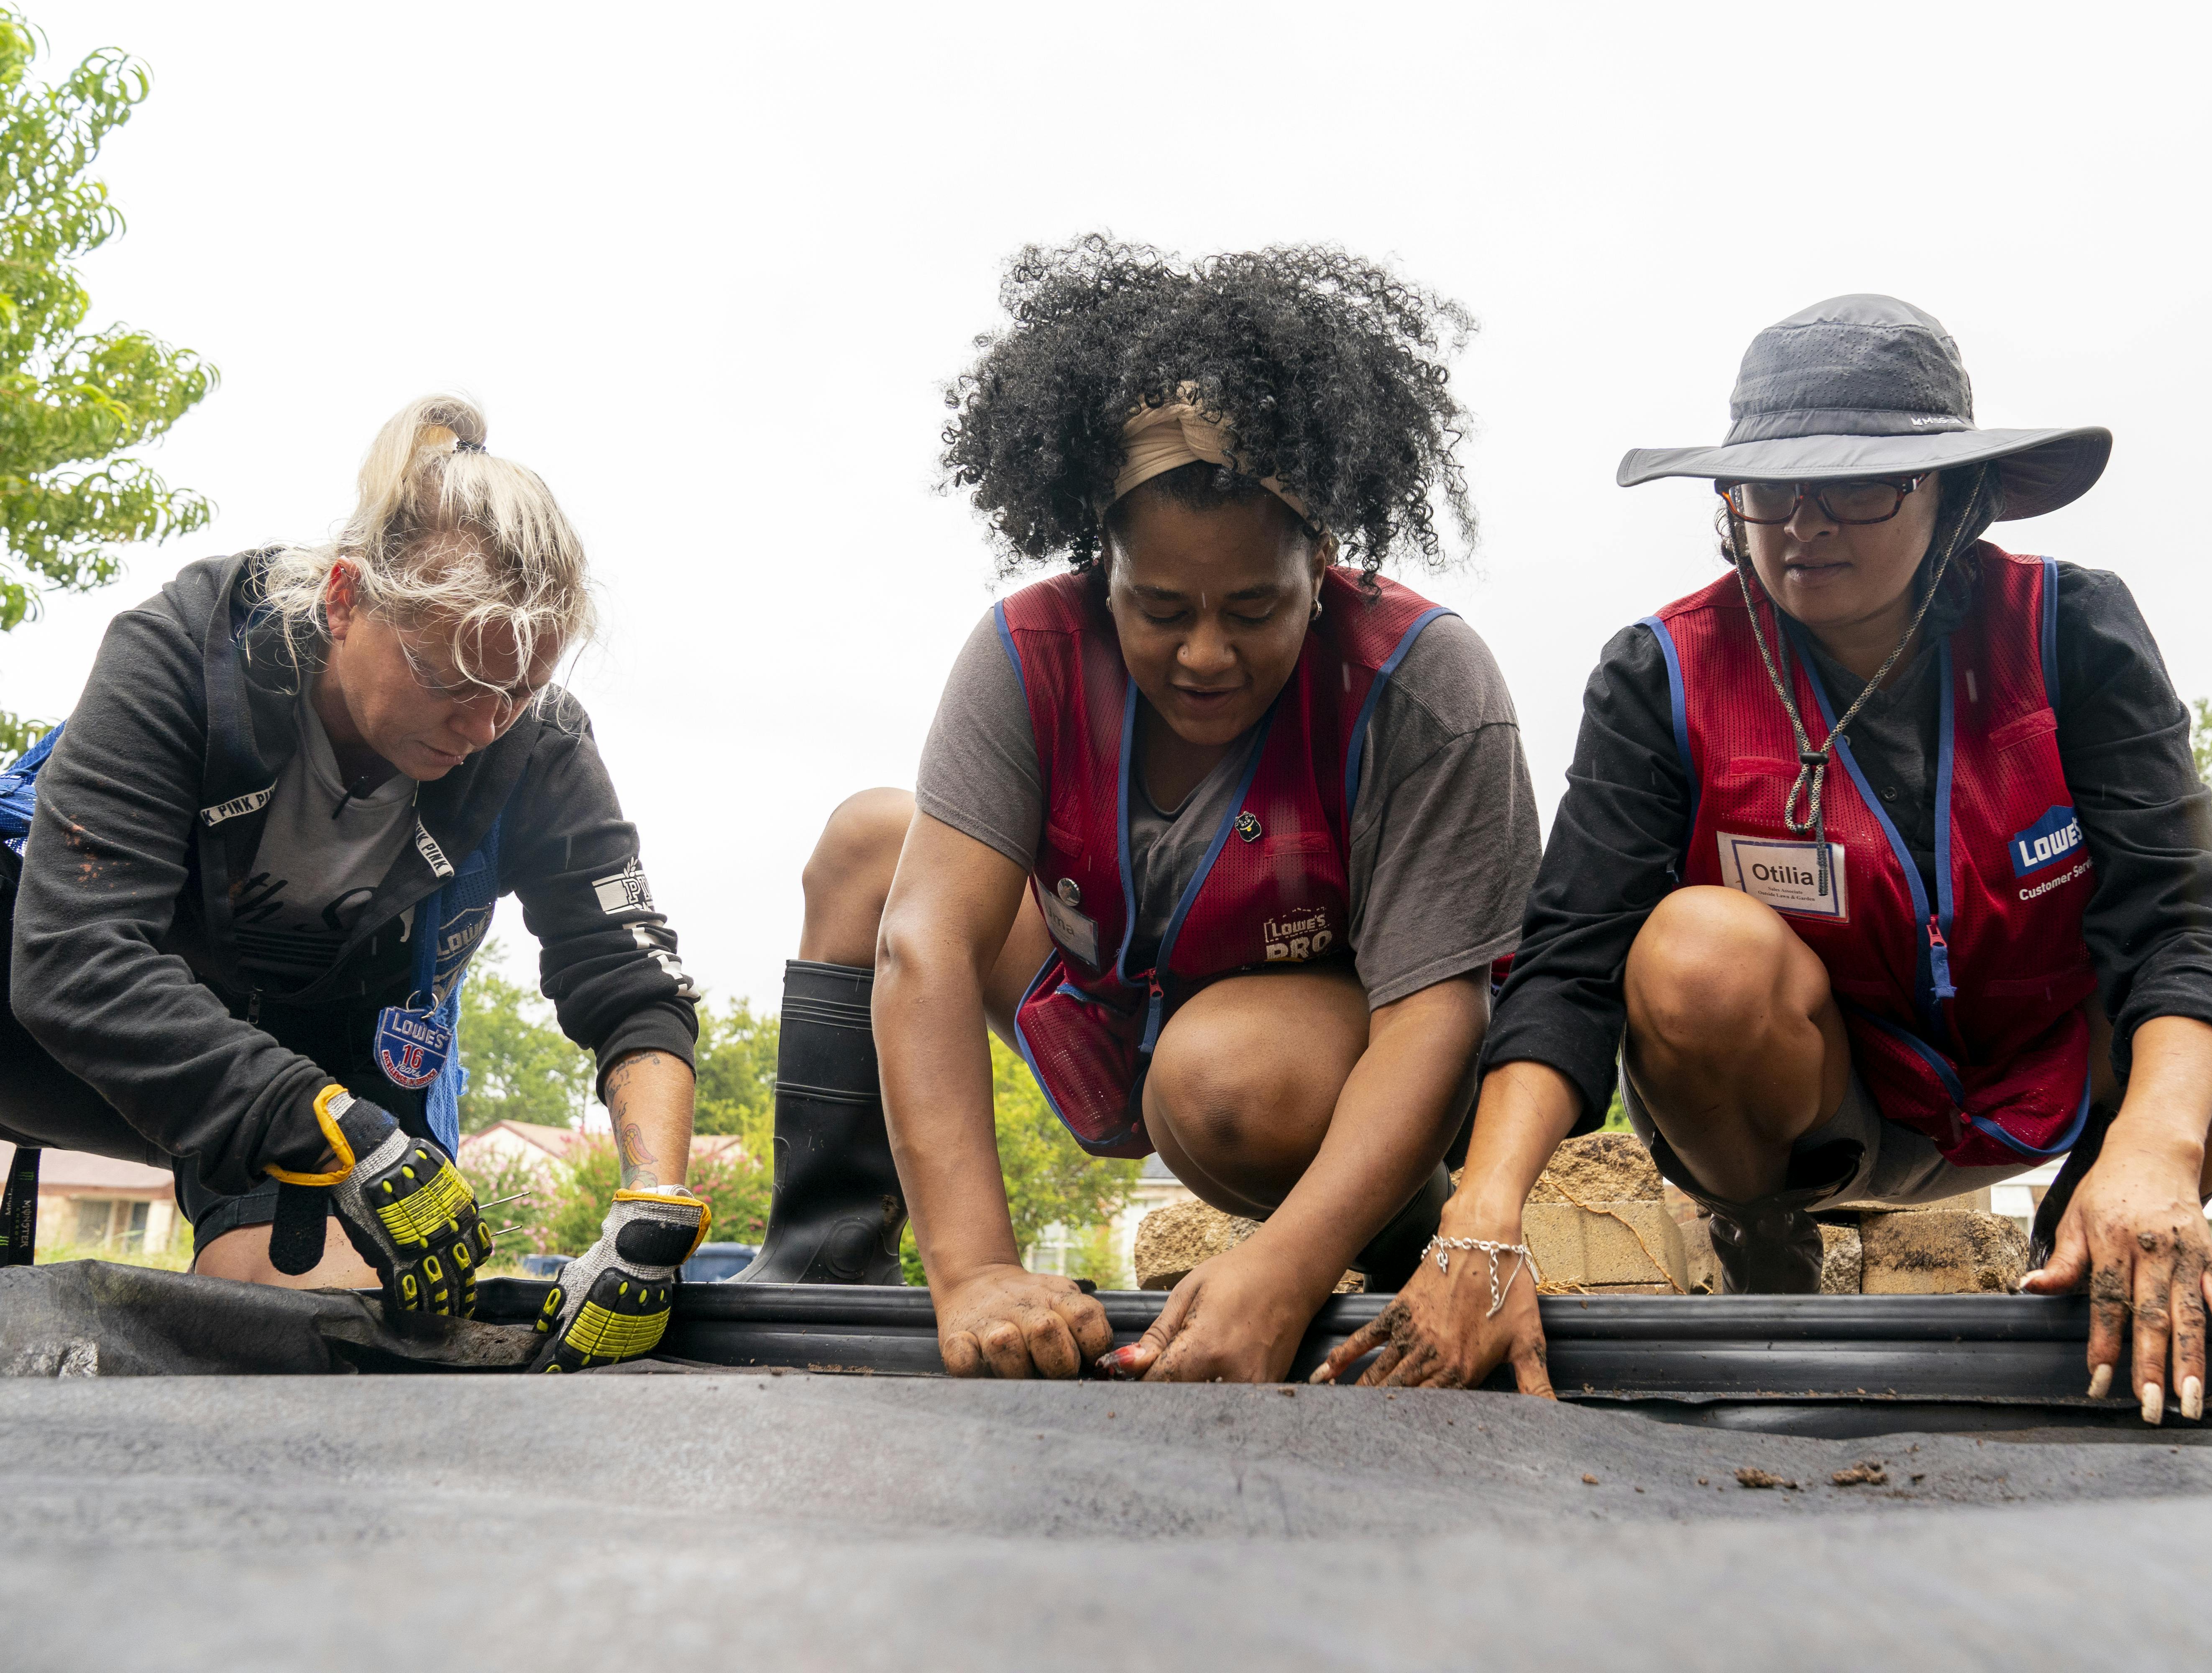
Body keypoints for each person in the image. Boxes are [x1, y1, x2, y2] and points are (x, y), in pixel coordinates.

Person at [1323, 296, 2212, 1422]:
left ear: (1954, 493)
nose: (1803, 524)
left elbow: (2177, 915)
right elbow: (1569, 965)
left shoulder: (2071, 629)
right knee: (1691, 949)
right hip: (1819, 1101)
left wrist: (2155, 1143)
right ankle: (1763, 1233)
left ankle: (2114, 1218)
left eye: (1857, 484)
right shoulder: (1659, 673)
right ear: (1726, 503)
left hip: (2058, 1057)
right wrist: (1484, 1223)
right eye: (1767, 488)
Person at [749, 237, 1540, 1384]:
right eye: (1160, 609)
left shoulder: (1423, 683)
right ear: (1097, 565)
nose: (1205, 654)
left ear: (1324, 560)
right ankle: (820, 1264)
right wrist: (973, 1274)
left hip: (1289, 1079)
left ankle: (1380, 1231)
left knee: (1218, 1075)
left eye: (1255, 609)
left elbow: (1437, 1017)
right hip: (1103, 1024)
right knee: (874, 847)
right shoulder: (1029, 651)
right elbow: (925, 947)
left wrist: (1284, 1267)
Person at [0, 396, 712, 1370]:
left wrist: (652, 1209)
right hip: (65, 1014)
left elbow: (631, 983)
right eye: (450, 678)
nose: (484, 724)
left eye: (518, 688)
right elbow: (72, 961)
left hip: (326, 1052)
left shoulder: (535, 743)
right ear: (344, 599)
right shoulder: (185, 650)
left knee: (339, 1332)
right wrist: (324, 1121)